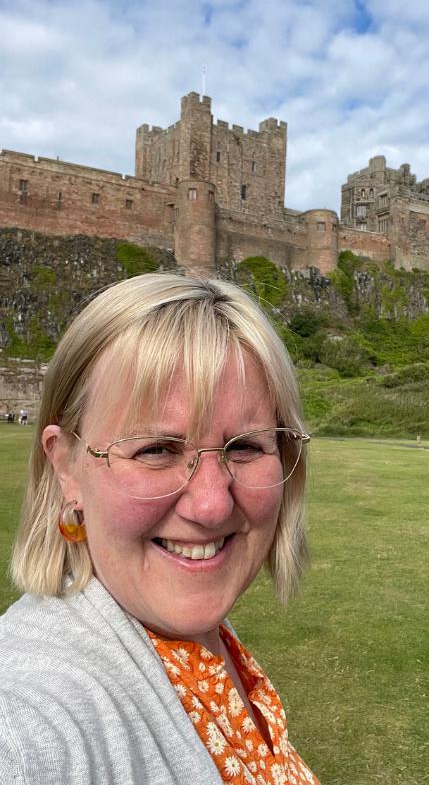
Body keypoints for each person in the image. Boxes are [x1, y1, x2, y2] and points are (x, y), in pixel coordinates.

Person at [0, 273, 318, 785]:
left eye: (245, 446)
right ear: (66, 467)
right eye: (156, 449)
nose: (213, 505)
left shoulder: (199, 643)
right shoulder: (27, 710)